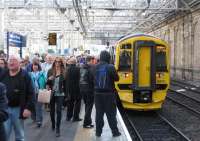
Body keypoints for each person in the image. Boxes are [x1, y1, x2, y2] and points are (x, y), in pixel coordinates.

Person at [1, 55, 35, 141]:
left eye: (14, 60)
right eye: (10, 60)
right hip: (5, 109)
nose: (11, 62)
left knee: (19, 135)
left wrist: (28, 108)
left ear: (19, 62)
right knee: (4, 134)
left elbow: (31, 93)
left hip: (19, 109)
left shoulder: (25, 75)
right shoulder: (3, 74)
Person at [94, 50, 121, 137]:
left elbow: (92, 80)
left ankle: (98, 132)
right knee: (111, 114)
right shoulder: (111, 67)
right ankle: (115, 132)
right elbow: (117, 79)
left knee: (99, 114)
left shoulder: (94, 67)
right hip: (109, 95)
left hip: (97, 94)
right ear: (108, 58)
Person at [46, 57, 66, 137]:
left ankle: (58, 128)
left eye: (59, 62)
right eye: (56, 62)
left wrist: (67, 94)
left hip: (60, 94)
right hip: (52, 93)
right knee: (52, 111)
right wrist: (48, 79)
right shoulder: (50, 71)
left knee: (59, 111)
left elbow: (66, 84)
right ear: (54, 62)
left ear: (61, 63)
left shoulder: (64, 71)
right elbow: (47, 83)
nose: (57, 63)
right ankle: (53, 123)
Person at [79, 56, 94, 128]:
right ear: (90, 60)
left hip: (82, 89)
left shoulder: (81, 68)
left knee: (87, 105)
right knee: (89, 106)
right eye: (92, 61)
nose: (93, 62)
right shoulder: (90, 68)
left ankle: (89, 121)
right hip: (89, 89)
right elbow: (91, 79)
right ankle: (86, 123)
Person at [30, 62, 46, 127]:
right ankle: (34, 118)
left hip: (40, 92)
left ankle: (39, 121)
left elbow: (45, 81)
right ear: (32, 67)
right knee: (32, 107)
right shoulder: (29, 74)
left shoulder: (42, 74)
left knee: (38, 107)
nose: (35, 67)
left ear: (38, 66)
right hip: (32, 93)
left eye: (36, 65)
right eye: (34, 65)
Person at [65, 57, 82, 122]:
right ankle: (75, 117)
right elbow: (80, 79)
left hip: (69, 89)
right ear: (75, 62)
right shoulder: (78, 69)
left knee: (70, 103)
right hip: (77, 89)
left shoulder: (67, 69)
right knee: (78, 103)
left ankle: (68, 117)